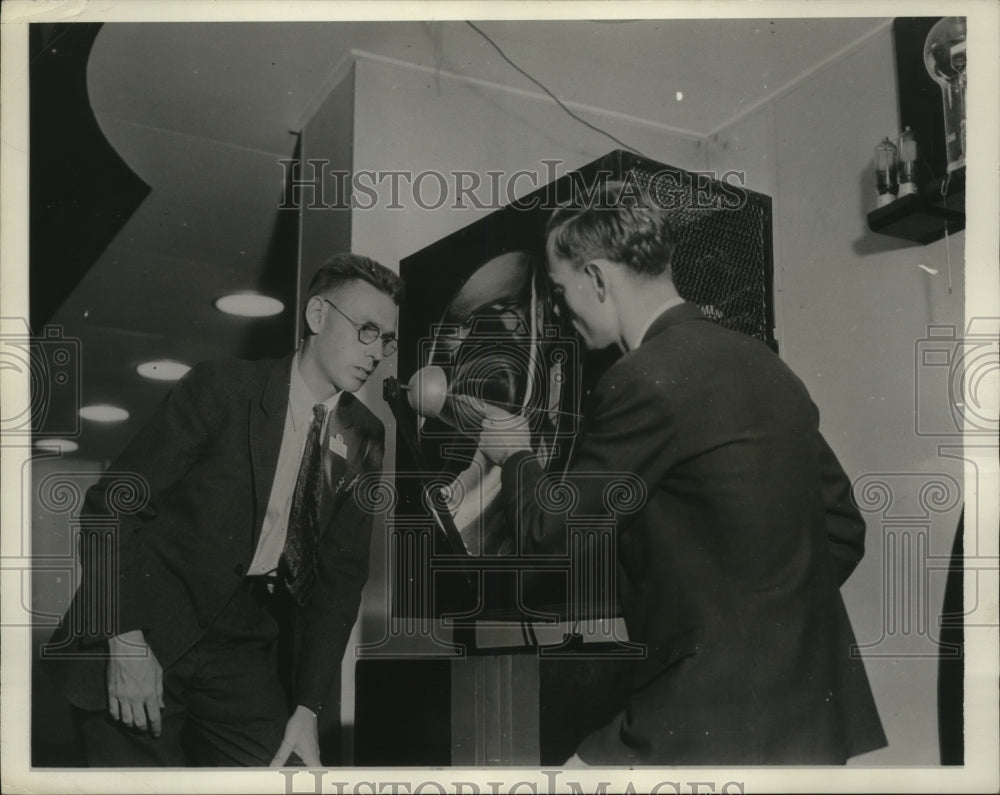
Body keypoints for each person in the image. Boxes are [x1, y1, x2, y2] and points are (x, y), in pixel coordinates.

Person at [479, 182, 888, 764]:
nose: (561, 311)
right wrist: (758, 623)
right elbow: (844, 527)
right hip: (812, 721)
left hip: (709, 717)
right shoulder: (767, 366)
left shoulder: (641, 378)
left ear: (596, 279)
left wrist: (515, 454)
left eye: (561, 289)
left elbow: (549, 533)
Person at [43, 253, 402, 766]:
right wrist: (123, 639)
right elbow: (110, 507)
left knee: (283, 772)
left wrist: (306, 708)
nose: (377, 353)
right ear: (318, 317)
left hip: (242, 644)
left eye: (386, 339)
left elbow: (340, 580)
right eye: (366, 329)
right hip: (143, 617)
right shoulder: (223, 389)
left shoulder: (365, 434)